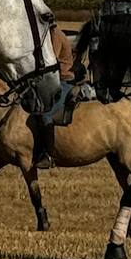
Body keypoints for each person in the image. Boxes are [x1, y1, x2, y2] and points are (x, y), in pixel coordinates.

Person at [30, 19, 76, 170]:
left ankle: (50, 155)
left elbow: (51, 61)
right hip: (54, 79)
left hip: (64, 80)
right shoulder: (50, 35)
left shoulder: (55, 36)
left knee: (46, 112)